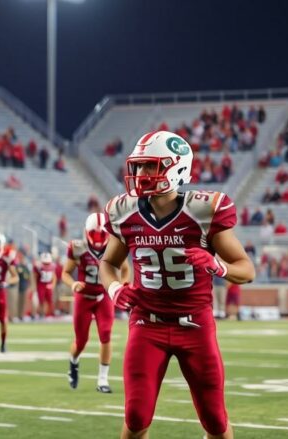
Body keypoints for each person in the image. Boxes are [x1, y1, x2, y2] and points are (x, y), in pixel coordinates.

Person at [99, 130, 255, 439]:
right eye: (139, 166)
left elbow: (246, 269)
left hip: (195, 324)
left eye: (150, 166)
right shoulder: (124, 211)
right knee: (136, 416)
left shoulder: (203, 210)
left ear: (177, 168)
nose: (141, 174)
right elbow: (108, 263)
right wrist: (115, 289)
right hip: (147, 324)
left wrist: (217, 266)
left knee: (215, 420)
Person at [61, 213, 129, 393]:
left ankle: (102, 380)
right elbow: (65, 273)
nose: (98, 239)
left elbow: (125, 268)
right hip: (83, 298)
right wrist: (73, 283)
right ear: (87, 232)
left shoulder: (114, 244)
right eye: (95, 234)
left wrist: (122, 287)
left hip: (103, 297)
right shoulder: (78, 247)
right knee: (81, 341)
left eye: (102, 234)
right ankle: (74, 362)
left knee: (106, 334)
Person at [33, 252, 57, 319]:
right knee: (41, 300)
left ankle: (49, 314)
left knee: (50, 300)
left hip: (48, 284)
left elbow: (54, 276)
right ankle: (41, 314)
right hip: (41, 284)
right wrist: (34, 286)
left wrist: (53, 285)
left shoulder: (52, 266)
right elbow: (35, 276)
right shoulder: (38, 266)